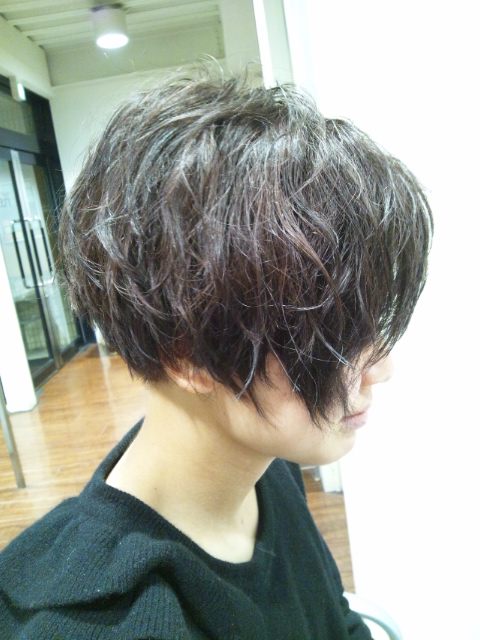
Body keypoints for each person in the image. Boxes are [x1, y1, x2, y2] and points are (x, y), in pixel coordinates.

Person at [0, 64, 433, 639]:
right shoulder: (97, 624)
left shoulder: (266, 467)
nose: (382, 369)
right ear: (189, 356)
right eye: (334, 338)